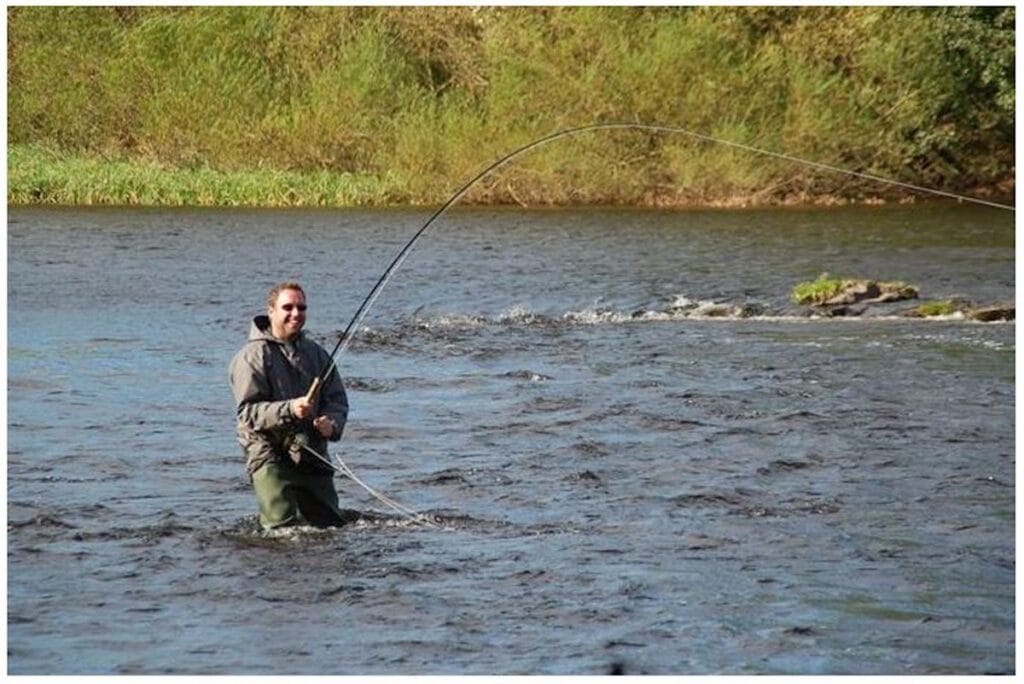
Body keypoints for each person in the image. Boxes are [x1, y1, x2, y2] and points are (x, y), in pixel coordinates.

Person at [229, 281, 356, 529]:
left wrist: (332, 424)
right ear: (271, 311)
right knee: (282, 530)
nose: (296, 314)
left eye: (301, 307)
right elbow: (248, 413)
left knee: (331, 526)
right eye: (288, 307)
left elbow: (337, 400)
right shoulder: (250, 357)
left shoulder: (317, 354)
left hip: (310, 447)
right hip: (266, 450)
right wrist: (290, 408)